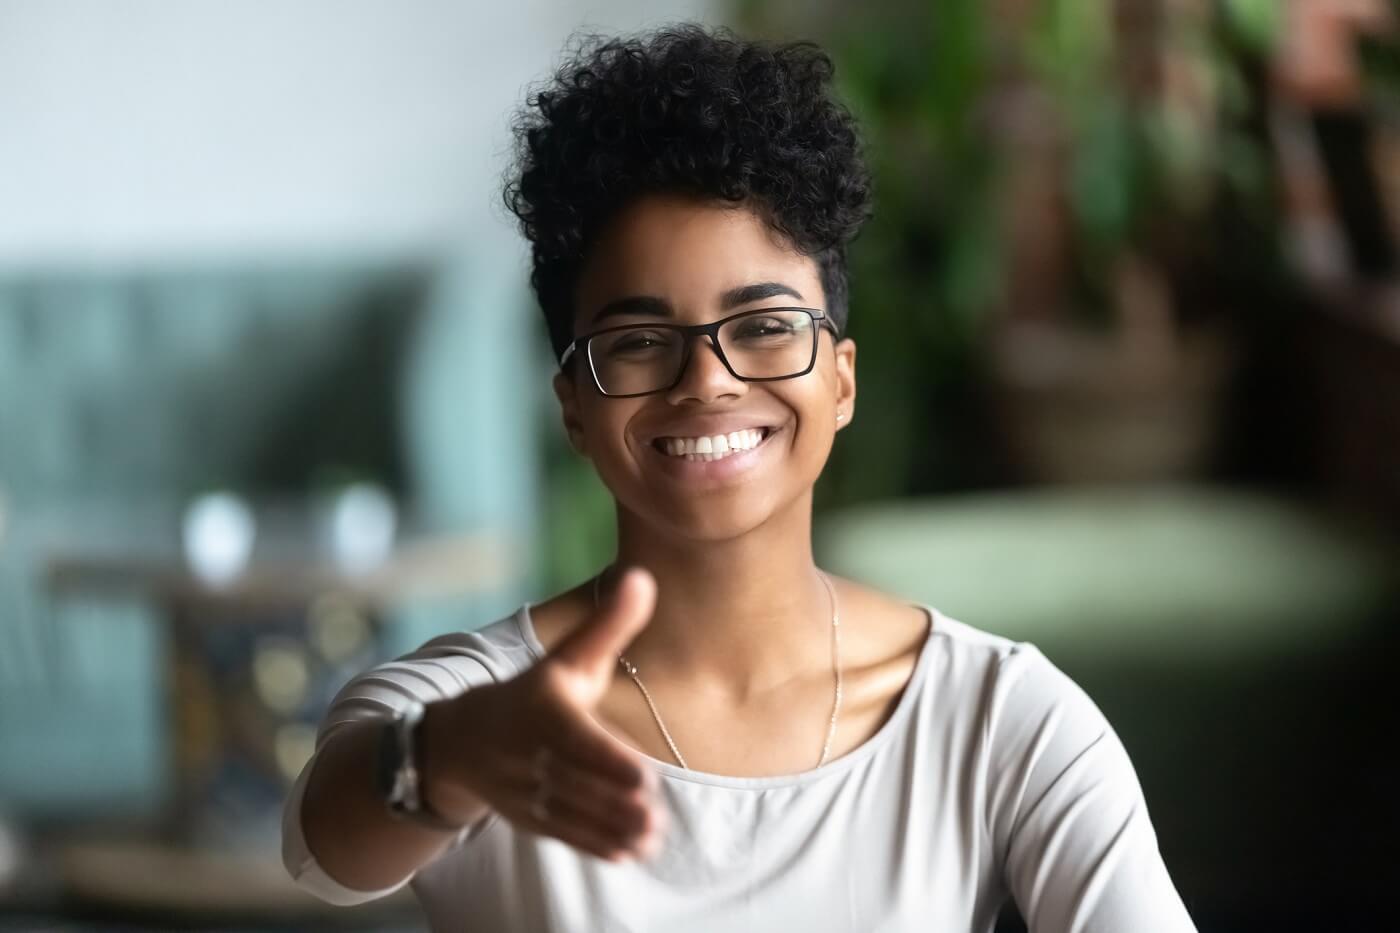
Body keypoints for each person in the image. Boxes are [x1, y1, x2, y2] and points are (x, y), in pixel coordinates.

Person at [282, 24, 1198, 932]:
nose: (708, 380)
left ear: (840, 379)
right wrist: (452, 760)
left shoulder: (1001, 718)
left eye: (763, 326)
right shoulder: (475, 709)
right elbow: (324, 849)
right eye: (638, 342)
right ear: (573, 407)